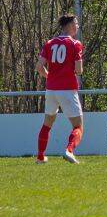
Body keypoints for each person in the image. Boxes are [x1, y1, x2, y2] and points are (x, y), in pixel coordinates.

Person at [35, 14, 84, 164]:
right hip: (67, 89)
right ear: (69, 25)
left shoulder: (50, 43)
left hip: (51, 90)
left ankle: (40, 157)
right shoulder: (75, 44)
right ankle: (69, 151)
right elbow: (79, 70)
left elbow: (39, 66)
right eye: (76, 23)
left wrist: (49, 76)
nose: (77, 26)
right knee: (78, 126)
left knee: (47, 123)